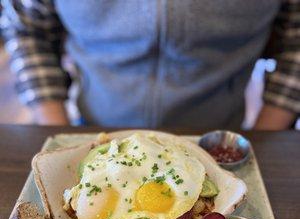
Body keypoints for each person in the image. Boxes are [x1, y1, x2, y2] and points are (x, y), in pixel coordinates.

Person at [1, 0, 299, 130]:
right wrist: (58, 134)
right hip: (93, 127)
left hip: (218, 135)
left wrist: (262, 140)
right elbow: (28, 29)